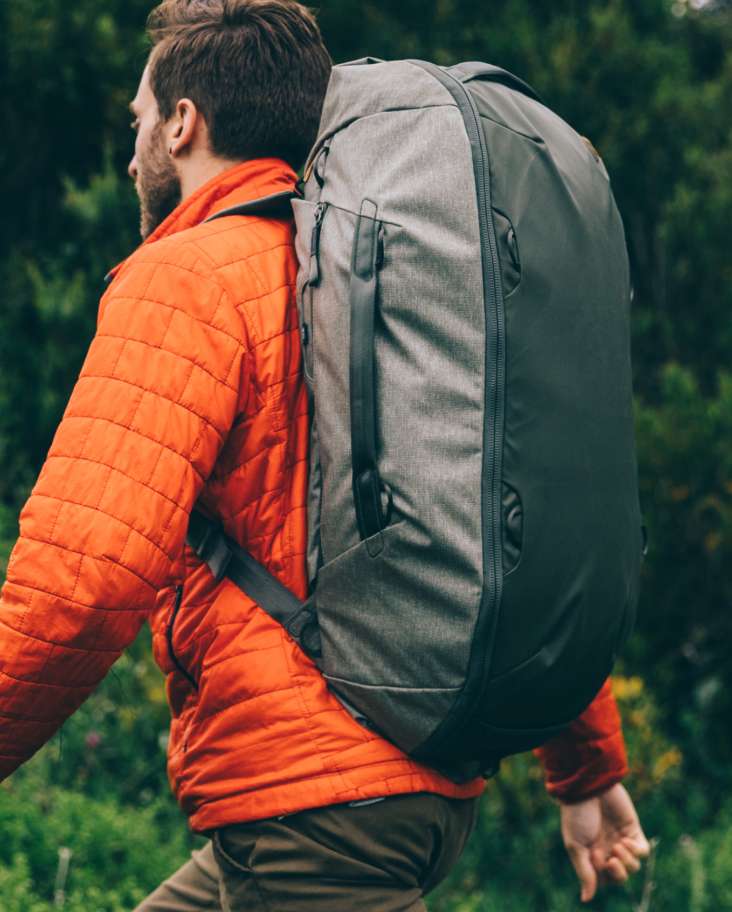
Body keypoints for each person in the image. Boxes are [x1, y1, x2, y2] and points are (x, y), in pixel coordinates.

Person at [0, 1, 649, 908]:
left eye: (139, 118)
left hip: (315, 810)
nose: (134, 142)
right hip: (390, 792)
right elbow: (495, 520)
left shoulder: (192, 275)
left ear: (184, 123)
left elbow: (83, 580)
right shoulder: (372, 275)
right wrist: (588, 771)